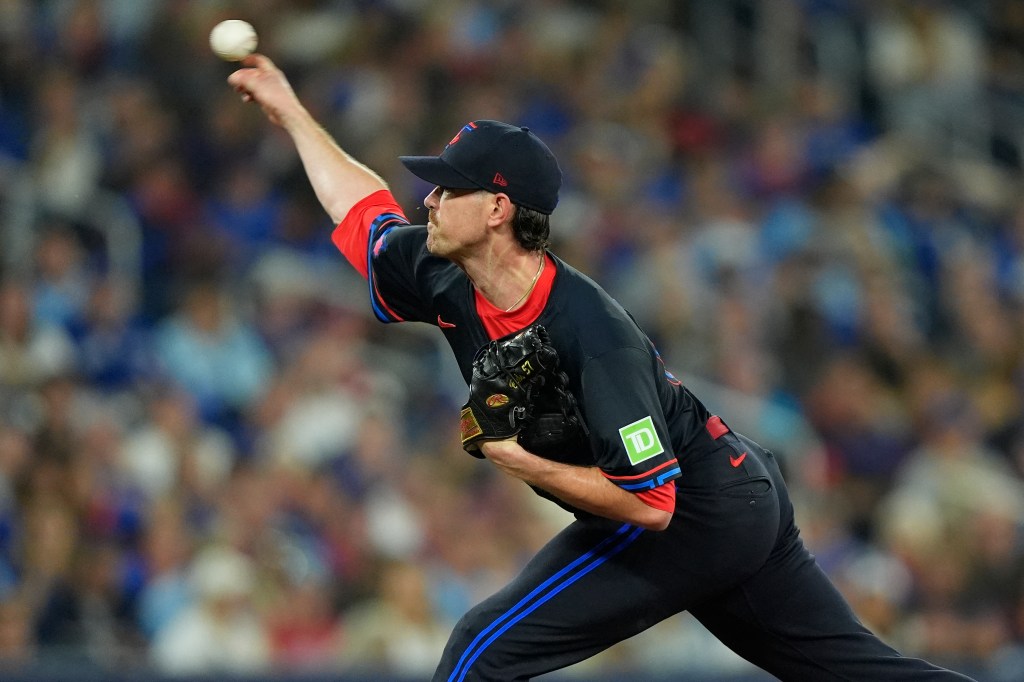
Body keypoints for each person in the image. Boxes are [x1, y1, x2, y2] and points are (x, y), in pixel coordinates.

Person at [227, 54, 977, 682]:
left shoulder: (590, 333)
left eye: (449, 186)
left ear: (497, 209)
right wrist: (292, 112)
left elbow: (651, 504)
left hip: (697, 512)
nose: (431, 196)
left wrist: (517, 459)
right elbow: (362, 213)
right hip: (735, 495)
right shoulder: (442, 269)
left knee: (478, 653)